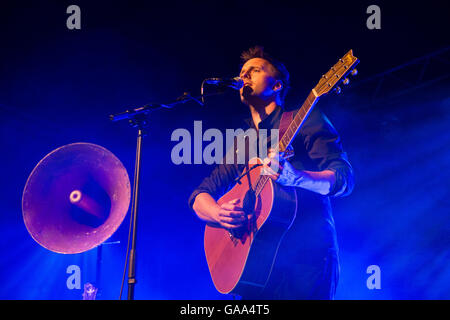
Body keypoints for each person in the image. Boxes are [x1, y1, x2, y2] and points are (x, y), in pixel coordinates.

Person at [188, 46, 354, 299]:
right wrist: (217, 213)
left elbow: (344, 179)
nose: (244, 75)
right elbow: (200, 195)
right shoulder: (243, 143)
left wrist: (296, 178)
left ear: (277, 86)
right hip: (255, 268)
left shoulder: (305, 119)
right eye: (242, 72)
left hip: (306, 260)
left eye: (254, 70)